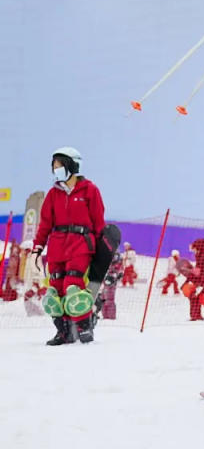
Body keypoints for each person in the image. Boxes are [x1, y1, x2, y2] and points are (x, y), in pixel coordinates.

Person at [31, 147, 105, 344]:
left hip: (80, 244)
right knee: (54, 290)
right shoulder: (53, 194)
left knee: (73, 286)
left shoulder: (90, 190)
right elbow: (45, 223)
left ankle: (83, 327)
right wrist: (37, 248)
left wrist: (101, 250)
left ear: (72, 165)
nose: (56, 170)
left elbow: (98, 222)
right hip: (57, 246)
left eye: (59, 165)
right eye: (54, 166)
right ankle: (63, 332)